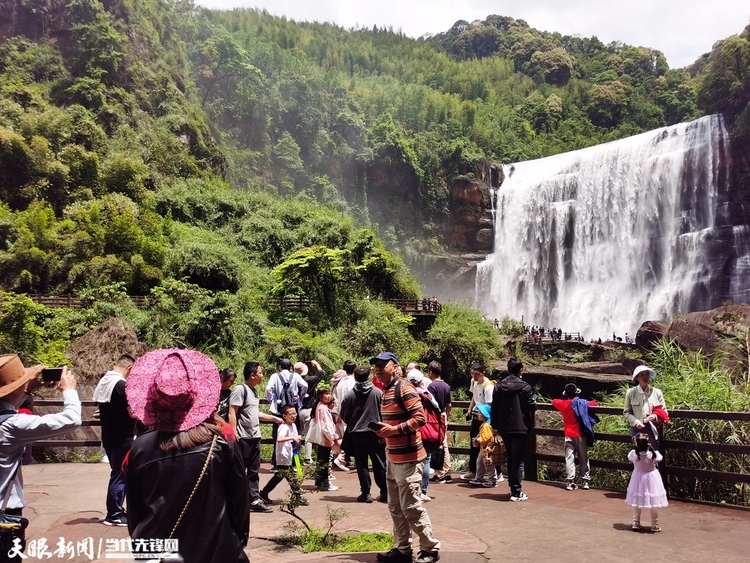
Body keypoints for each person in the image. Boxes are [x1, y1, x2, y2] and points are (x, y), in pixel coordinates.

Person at [124, 349, 249, 563]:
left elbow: (135, 515)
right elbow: (239, 507)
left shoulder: (140, 449)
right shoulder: (221, 444)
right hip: (218, 552)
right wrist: (235, 541)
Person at [0, 355, 81, 562]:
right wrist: (69, 390)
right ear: (15, 390)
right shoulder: (11, 426)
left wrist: (24, 390)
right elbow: (71, 420)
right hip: (6, 513)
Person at [371, 351, 440, 563]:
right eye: (376, 366)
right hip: (393, 456)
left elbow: (420, 419)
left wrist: (393, 431)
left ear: (395, 367)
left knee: (411, 506)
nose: (378, 369)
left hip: (409, 458)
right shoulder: (386, 391)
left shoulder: (405, 388)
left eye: (383, 365)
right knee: (395, 507)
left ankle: (430, 549)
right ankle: (402, 549)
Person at [229, 361, 283, 513]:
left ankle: (253, 499)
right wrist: (233, 433)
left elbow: (254, 414)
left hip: (255, 437)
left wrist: (274, 418)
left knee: (254, 471)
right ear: (252, 375)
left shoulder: (254, 392)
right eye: (260, 372)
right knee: (239, 471)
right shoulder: (240, 390)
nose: (262, 375)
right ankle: (235, 499)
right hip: (243, 437)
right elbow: (232, 411)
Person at [93, 354, 136, 527]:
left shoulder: (105, 382)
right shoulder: (121, 385)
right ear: (130, 368)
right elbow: (132, 412)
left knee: (118, 472)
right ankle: (115, 514)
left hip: (109, 435)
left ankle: (116, 510)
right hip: (122, 437)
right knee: (120, 474)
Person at [339, 366, 387, 503]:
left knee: (362, 465)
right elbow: (384, 412)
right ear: (368, 377)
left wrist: (353, 422)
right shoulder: (378, 393)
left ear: (355, 377)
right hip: (375, 433)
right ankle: (384, 492)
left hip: (357, 434)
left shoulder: (349, 395)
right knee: (379, 463)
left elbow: (344, 415)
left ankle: (365, 493)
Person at [491, 357, 536, 502]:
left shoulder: (498, 387)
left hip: (505, 427)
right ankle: (516, 491)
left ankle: (513, 487)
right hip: (521, 427)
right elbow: (531, 406)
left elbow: (494, 407)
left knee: (511, 457)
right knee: (518, 459)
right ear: (520, 370)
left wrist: (494, 425)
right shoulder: (525, 387)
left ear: (508, 369)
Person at [552, 383, 599, 491]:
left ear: (566, 394)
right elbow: (595, 404)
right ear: (576, 393)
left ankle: (570, 482)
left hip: (568, 434)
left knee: (569, 458)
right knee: (583, 458)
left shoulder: (562, 404)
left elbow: (554, 401)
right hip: (580, 434)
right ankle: (585, 481)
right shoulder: (582, 403)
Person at [259, 405, 306, 506]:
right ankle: (298, 495)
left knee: (278, 477)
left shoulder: (293, 426)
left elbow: (294, 439)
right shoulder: (283, 427)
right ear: (284, 416)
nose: (293, 416)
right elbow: (280, 439)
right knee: (289, 476)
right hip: (282, 456)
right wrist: (293, 438)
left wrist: (296, 440)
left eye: (295, 413)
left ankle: (263, 493)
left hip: (290, 455)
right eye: (291, 414)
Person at [266, 359, 308, 469]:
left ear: (280, 367)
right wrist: (301, 397)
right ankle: (295, 463)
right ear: (290, 367)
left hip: (279, 410)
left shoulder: (275, 376)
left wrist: (272, 400)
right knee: (294, 434)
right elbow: (305, 385)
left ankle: (277, 463)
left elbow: (268, 388)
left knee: (277, 435)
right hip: (292, 409)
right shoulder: (295, 376)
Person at [625, 433, 668, 532]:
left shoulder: (634, 454)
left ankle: (636, 521)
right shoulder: (654, 454)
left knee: (637, 500)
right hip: (652, 478)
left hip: (638, 478)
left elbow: (631, 459)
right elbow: (659, 459)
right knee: (653, 501)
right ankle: (655, 524)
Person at [406, 369, 437, 502]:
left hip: (409, 430)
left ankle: (410, 490)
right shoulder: (426, 393)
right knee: (426, 460)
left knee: (409, 461)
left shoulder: (406, 393)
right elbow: (437, 408)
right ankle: (422, 491)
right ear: (421, 381)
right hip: (425, 430)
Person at [462, 363, 494, 481]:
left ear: (483, 373)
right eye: (472, 374)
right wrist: (470, 409)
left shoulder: (488, 386)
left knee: (487, 443)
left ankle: (495, 473)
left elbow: (490, 405)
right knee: (474, 441)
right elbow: (474, 397)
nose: (474, 377)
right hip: (476, 415)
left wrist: (487, 420)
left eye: (477, 374)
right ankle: (472, 470)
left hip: (485, 418)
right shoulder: (474, 382)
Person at [624, 365, 668, 449]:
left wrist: (655, 416)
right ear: (637, 378)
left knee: (654, 455)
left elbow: (664, 411)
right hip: (637, 429)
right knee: (638, 456)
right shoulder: (630, 392)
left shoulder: (657, 392)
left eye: (646, 374)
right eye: (642, 375)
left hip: (653, 429)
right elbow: (626, 412)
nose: (645, 377)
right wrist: (636, 422)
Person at [306, 387, 340, 492]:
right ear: (321, 396)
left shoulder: (320, 406)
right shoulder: (323, 408)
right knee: (324, 461)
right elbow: (326, 425)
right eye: (326, 394)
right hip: (326, 438)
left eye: (329, 393)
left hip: (322, 438)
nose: (329, 396)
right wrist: (333, 437)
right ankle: (325, 483)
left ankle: (319, 481)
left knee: (321, 460)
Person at [426, 361, 452, 484]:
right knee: (444, 443)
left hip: (434, 418)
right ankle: (444, 471)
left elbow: (430, 403)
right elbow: (449, 405)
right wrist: (446, 416)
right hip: (442, 415)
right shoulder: (446, 386)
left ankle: (442, 472)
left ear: (431, 372)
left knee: (439, 444)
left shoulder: (432, 386)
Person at [295, 360, 323, 465]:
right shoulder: (309, 381)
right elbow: (321, 374)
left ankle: (296, 458)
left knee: (297, 434)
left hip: (296, 410)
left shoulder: (293, 381)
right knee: (308, 435)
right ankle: (307, 458)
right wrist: (316, 365)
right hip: (307, 409)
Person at [332, 361, 356, 470]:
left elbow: (336, 399)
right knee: (350, 438)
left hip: (340, 413)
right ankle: (341, 458)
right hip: (351, 414)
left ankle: (341, 458)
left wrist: (338, 413)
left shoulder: (340, 382)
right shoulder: (354, 382)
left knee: (342, 437)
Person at [474, 405, 504, 488]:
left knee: (489, 465)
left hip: (487, 449)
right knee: (480, 463)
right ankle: (478, 478)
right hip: (483, 450)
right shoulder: (484, 424)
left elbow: (486, 437)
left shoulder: (486, 425)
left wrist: (478, 440)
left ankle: (493, 480)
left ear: (485, 414)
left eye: (480, 413)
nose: (478, 414)